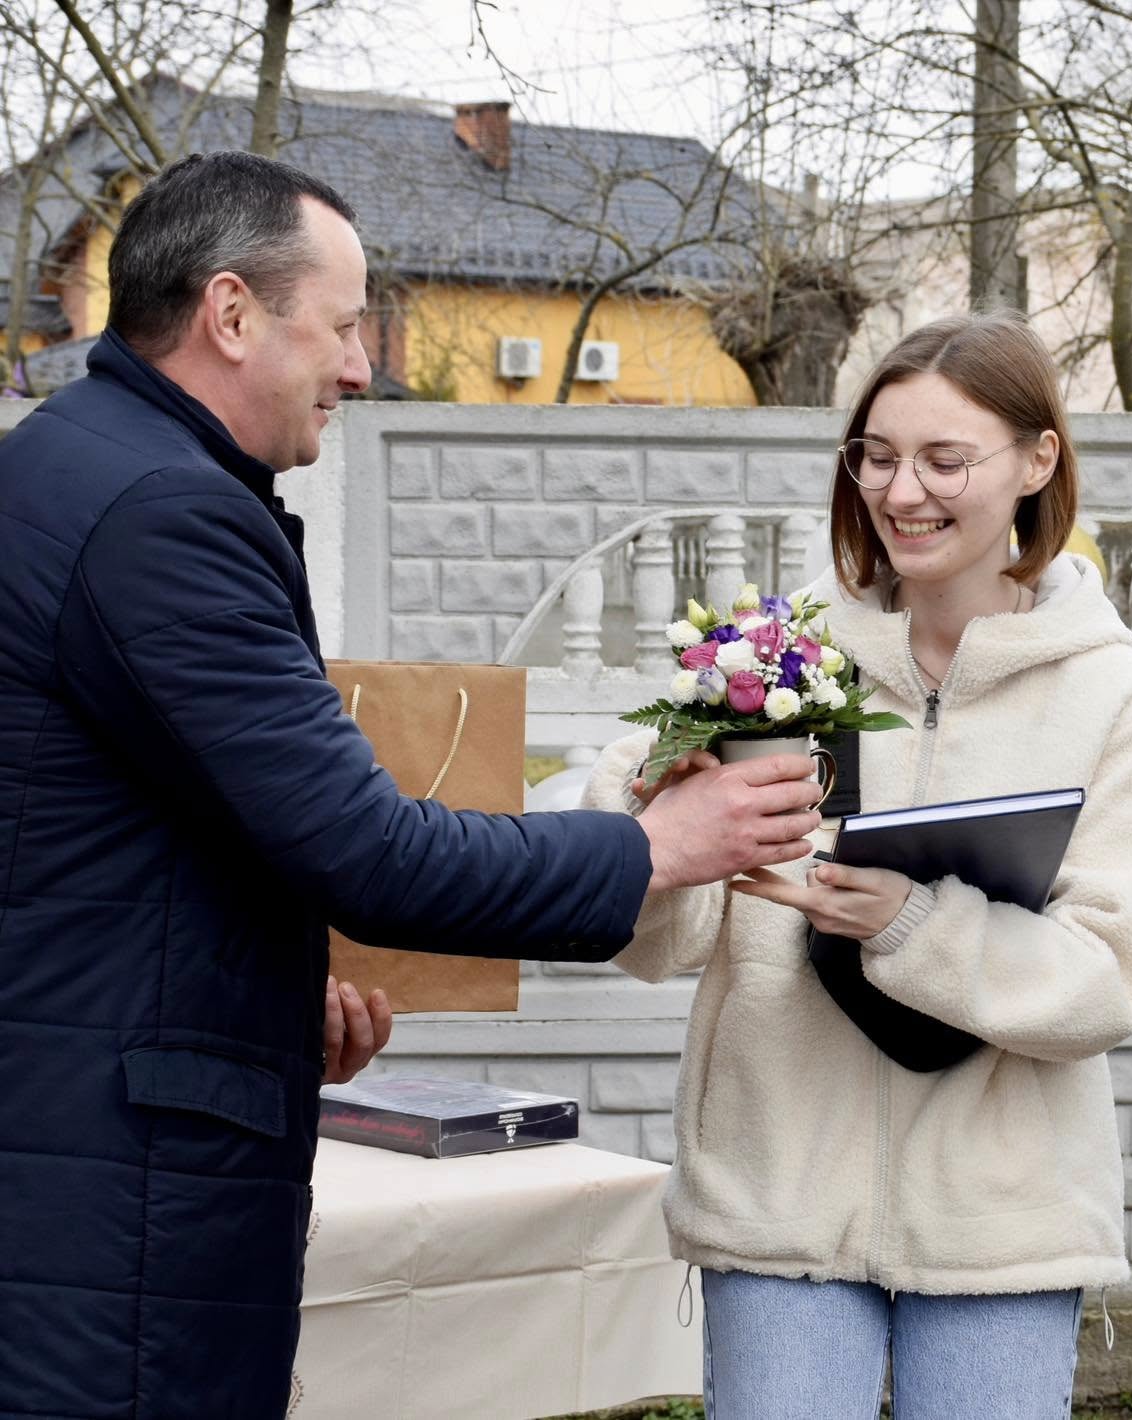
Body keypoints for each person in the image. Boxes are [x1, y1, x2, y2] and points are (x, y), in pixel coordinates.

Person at [0, 151, 822, 1420]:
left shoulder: (73, 461)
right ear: (230, 313)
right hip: (113, 1205)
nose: (359, 367)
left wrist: (264, 1000)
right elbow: (369, 852)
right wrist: (657, 847)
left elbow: (107, 847)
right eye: (341, 327)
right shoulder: (161, 514)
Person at [581, 313, 1132, 1418]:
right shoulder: (774, 665)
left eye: (944, 460)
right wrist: (651, 815)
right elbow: (662, 938)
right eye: (876, 455)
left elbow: (1109, 978)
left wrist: (915, 926)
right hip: (774, 1198)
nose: (901, 492)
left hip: (1004, 1221)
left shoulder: (1111, 695)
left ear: (1036, 460)